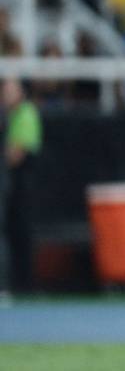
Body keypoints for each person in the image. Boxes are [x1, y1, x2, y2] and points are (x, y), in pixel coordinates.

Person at [2, 79, 43, 296]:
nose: (5, 94)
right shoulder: (9, 115)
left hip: (22, 189)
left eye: (10, 90)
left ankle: (22, 285)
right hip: (12, 188)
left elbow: (14, 156)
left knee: (20, 234)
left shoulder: (25, 113)